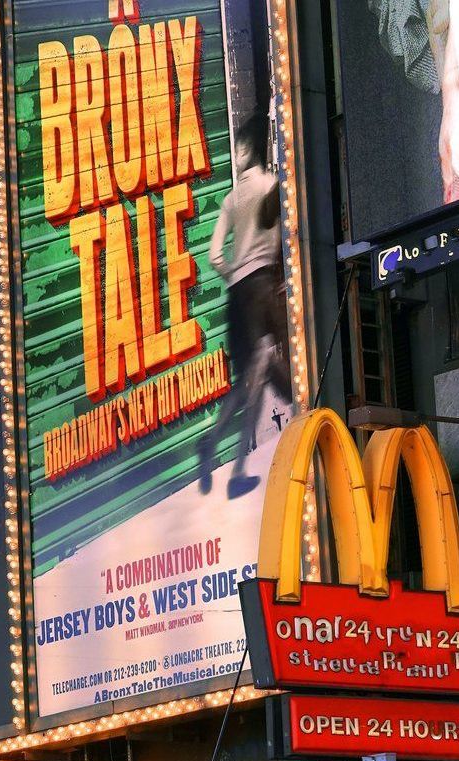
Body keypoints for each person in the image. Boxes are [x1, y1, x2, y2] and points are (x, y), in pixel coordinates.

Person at [198, 114, 291, 499]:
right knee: (263, 367)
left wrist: (233, 273)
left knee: (250, 375)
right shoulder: (273, 187)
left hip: (236, 294)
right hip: (261, 291)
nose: (234, 155)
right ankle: (235, 466)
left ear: (248, 150)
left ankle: (215, 447)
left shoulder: (232, 198)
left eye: (237, 148)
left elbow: (214, 255)